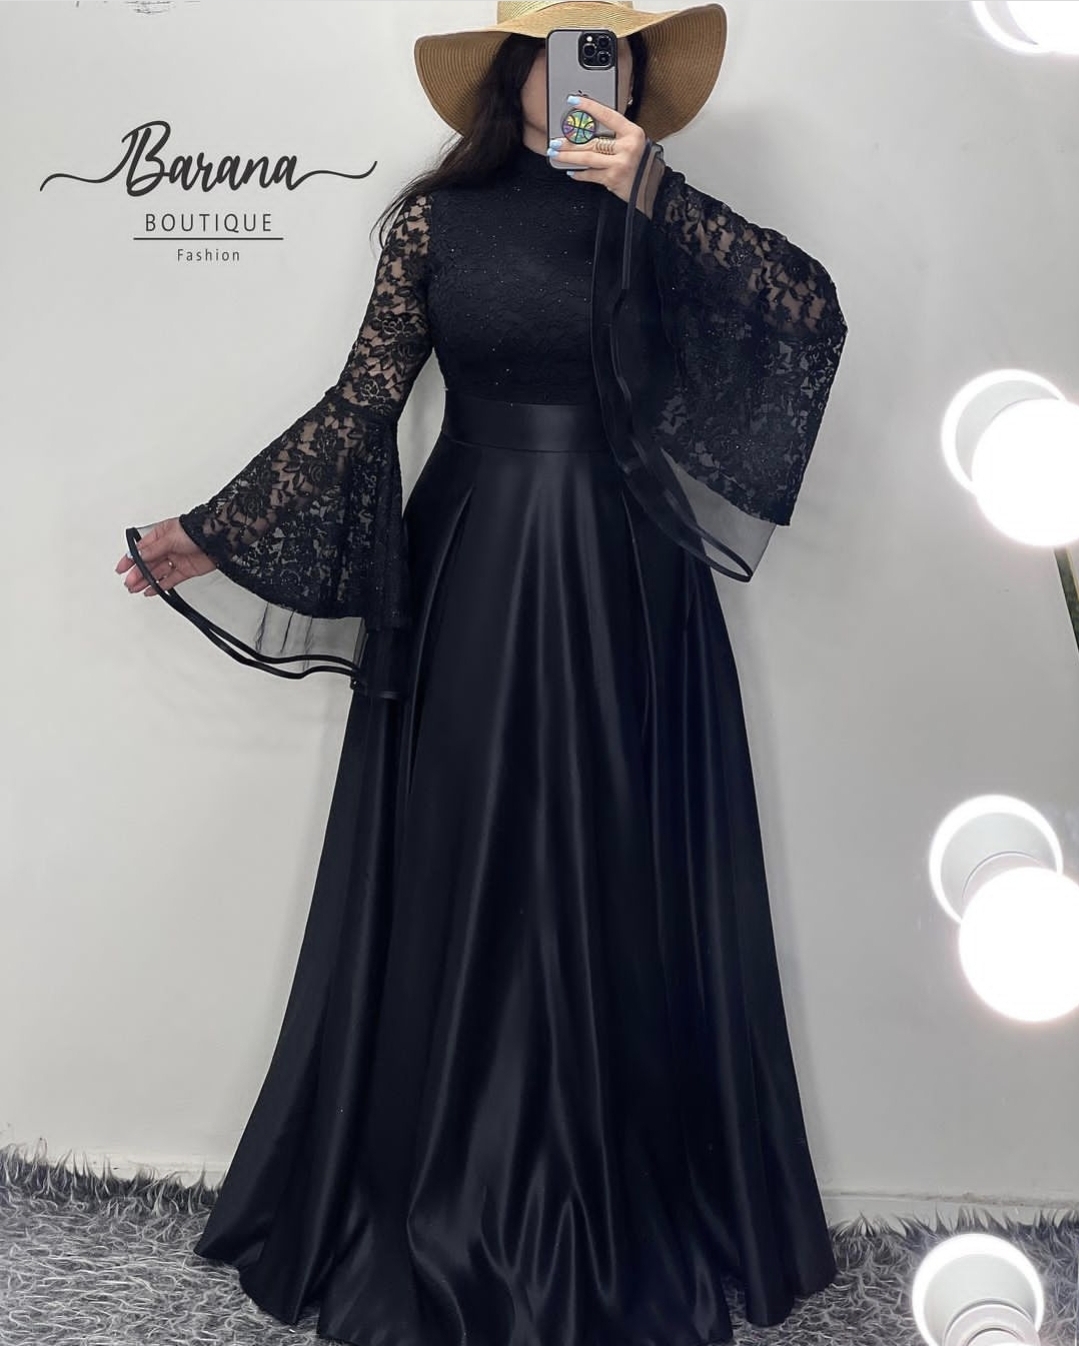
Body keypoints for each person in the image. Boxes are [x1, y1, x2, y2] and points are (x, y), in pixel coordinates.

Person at [115, 3, 849, 1343]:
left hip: (628, 580)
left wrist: (653, 191)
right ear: (512, 75)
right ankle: (436, 1178)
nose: (583, 75)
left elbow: (808, 316)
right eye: (559, 51)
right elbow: (362, 405)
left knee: (617, 863)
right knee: (466, 861)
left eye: (607, 51)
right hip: (473, 571)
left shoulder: (663, 214)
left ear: (632, 76)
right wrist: (212, 530)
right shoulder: (433, 224)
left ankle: (625, 1188)